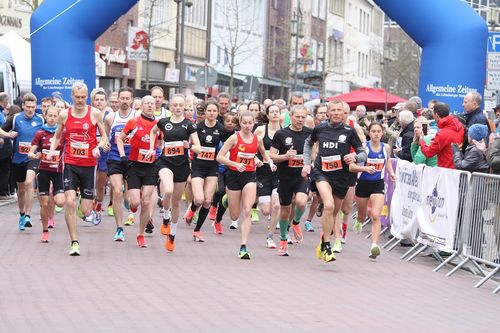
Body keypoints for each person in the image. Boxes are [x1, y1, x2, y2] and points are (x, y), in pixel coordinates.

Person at [47, 82, 108, 256]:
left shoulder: (94, 113)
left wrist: (98, 147)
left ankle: (85, 211)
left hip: (89, 166)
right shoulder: (64, 115)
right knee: (70, 201)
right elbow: (57, 136)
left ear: (86, 97)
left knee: (86, 210)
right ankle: (74, 242)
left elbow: (104, 136)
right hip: (71, 163)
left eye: (83, 97)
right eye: (77, 97)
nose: (80, 100)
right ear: (72, 96)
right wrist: (52, 150)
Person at [301, 99, 366, 263]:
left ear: (344, 113)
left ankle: (323, 242)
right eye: (333, 110)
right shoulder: (320, 128)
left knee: (334, 212)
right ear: (328, 113)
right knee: (328, 205)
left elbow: (363, 153)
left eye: (339, 110)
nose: (336, 113)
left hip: (342, 177)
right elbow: (308, 144)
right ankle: (328, 246)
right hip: (321, 173)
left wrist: (355, 156)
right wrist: (306, 163)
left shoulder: (350, 131)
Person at [216, 111, 275, 259]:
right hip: (234, 177)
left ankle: (243, 246)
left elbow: (263, 153)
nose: (247, 126)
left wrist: (268, 161)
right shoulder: (234, 138)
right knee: (235, 215)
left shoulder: (257, 139)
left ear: (254, 123)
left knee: (247, 211)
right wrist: (235, 163)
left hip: (250, 177)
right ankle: (226, 199)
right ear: (240, 123)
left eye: (250, 123)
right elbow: (220, 157)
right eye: (244, 123)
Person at [146, 94, 201, 252]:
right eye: (175, 105)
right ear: (170, 107)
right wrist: (152, 148)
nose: (177, 108)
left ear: (184, 107)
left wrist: (188, 145)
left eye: (180, 105)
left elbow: (198, 148)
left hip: (182, 165)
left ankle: (172, 235)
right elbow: (152, 132)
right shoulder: (163, 122)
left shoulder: (189, 125)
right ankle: (165, 218)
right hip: (165, 162)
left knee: (176, 202)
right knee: (167, 190)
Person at [350, 122, 396, 259]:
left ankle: (374, 246)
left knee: (376, 215)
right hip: (363, 184)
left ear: (382, 133)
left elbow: (387, 161)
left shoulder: (386, 147)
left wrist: (391, 172)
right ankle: (358, 220)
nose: (376, 134)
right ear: (369, 133)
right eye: (373, 131)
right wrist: (365, 169)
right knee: (362, 216)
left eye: (379, 131)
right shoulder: (364, 148)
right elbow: (352, 167)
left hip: (378, 184)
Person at [185, 100, 230, 241]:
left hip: (212, 167)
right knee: (198, 199)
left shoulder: (221, 129)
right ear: (205, 112)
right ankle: (192, 209)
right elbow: (189, 145)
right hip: (198, 166)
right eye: (209, 110)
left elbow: (228, 145)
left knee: (207, 201)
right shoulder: (197, 127)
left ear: (217, 113)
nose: (211, 113)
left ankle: (197, 231)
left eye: (214, 111)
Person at [270, 105, 312, 256]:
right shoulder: (281, 134)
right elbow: (272, 155)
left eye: (303, 117)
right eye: (297, 117)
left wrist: (311, 162)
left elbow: (316, 151)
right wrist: (285, 157)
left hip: (302, 176)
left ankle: (296, 223)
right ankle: (282, 240)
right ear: (291, 116)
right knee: (285, 211)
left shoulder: (310, 133)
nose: (300, 120)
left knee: (301, 202)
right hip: (285, 177)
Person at [118, 95, 159, 248]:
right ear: (141, 105)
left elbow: (161, 142)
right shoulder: (134, 122)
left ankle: (141, 235)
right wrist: (122, 155)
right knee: (134, 202)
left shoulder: (158, 124)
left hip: (150, 167)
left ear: (155, 106)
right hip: (134, 166)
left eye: (152, 103)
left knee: (146, 201)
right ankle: (133, 207)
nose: (149, 105)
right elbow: (119, 138)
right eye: (147, 103)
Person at [0, 93, 44, 230]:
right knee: (21, 190)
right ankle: (22, 213)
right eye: (28, 107)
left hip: (33, 158)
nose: (30, 110)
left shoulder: (41, 119)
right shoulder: (15, 119)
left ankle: (28, 217)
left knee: (29, 182)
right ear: (23, 106)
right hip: (18, 159)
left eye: (33, 107)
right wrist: (8, 135)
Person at [104, 87, 138, 241]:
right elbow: (105, 136)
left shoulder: (137, 117)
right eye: (121, 98)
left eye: (127, 98)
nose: (124, 101)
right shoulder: (110, 117)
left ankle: (127, 200)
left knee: (131, 199)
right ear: (117, 99)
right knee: (116, 191)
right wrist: (104, 144)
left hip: (133, 159)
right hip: (115, 158)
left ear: (132, 100)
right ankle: (119, 229)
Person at [28, 106, 65, 242]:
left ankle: (54, 210)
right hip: (43, 171)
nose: (52, 118)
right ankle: (45, 231)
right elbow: (31, 151)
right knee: (44, 203)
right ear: (45, 116)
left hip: (58, 171)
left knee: (60, 202)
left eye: (55, 116)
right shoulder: (40, 133)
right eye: (50, 115)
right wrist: (33, 154)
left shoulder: (63, 132)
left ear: (58, 117)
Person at [254, 104, 281, 248]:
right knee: (265, 210)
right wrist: (255, 158)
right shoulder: (260, 130)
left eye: (277, 111)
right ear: (268, 115)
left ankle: (270, 237)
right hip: (262, 171)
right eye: (272, 112)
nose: (275, 114)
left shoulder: (284, 132)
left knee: (276, 205)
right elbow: (250, 145)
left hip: (278, 172)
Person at [419, 102, 464, 169]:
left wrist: (422, 142)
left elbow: (429, 153)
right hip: (458, 168)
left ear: (436, 115)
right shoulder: (460, 126)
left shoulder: (443, 133)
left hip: (446, 171)